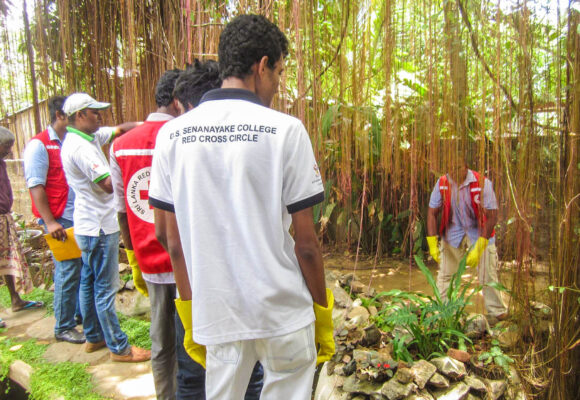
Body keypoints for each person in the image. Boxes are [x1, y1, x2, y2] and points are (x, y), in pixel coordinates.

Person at [149, 15, 335, 399]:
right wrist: (322, 313)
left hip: (218, 314)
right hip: (283, 314)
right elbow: (306, 244)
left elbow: (172, 242)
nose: (278, 85)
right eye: (279, 72)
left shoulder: (171, 136)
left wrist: (190, 311)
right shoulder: (286, 130)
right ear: (261, 66)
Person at [60, 93, 151, 362]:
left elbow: (120, 130)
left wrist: (149, 126)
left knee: (88, 283)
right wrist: (131, 170)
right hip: (100, 227)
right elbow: (108, 184)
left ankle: (93, 336)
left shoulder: (84, 137)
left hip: (87, 225)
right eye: (94, 112)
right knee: (105, 289)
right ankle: (119, 347)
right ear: (79, 116)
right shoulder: (81, 149)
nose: (99, 116)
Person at [23, 96, 85, 344]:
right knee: (68, 270)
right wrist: (50, 222)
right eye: (74, 114)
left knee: (78, 269)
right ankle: (64, 326)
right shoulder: (39, 145)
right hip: (59, 219)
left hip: (74, 216)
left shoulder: (70, 141)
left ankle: (77, 316)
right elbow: (35, 186)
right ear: (60, 115)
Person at [426, 156, 508, 320]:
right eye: (450, 168)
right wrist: (432, 242)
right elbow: (432, 212)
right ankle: (445, 312)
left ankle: (498, 312)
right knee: (445, 275)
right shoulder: (442, 183)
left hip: (479, 233)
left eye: (458, 167)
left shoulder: (482, 183)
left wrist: (480, 246)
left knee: (487, 275)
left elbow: (492, 216)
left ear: (466, 167)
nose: (454, 172)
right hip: (453, 232)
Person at [0, 127, 44, 329]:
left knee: (9, 260)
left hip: (4, 218)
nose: (9, 151)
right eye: (6, 147)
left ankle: (16, 300)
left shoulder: (1, 163)